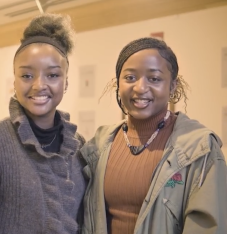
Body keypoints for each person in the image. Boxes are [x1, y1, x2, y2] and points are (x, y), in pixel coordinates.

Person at [80, 37, 227, 234]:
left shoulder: (200, 149)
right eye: (130, 78)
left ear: (173, 85)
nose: (140, 88)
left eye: (154, 78)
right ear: (118, 84)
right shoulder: (98, 146)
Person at [0, 13, 86, 234]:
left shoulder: (78, 146)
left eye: (52, 75)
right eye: (27, 76)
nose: (39, 85)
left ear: (66, 82)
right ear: (14, 81)